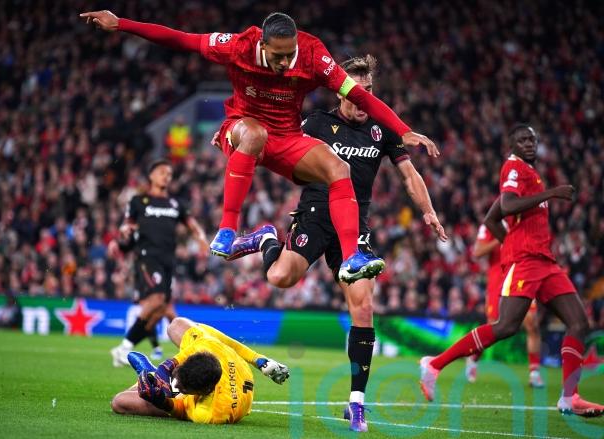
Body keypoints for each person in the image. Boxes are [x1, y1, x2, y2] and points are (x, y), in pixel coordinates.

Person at [79, 10, 440, 285]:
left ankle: (351, 258)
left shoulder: (313, 55)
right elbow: (181, 39)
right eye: (278, 56)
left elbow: (359, 95)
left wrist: (403, 130)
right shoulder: (238, 46)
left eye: (290, 54)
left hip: (287, 138)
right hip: (243, 129)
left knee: (338, 168)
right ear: (263, 46)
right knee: (254, 134)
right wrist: (121, 23)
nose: (285, 63)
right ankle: (227, 229)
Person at [224, 55, 447, 432]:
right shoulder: (315, 123)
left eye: (369, 91)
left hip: (354, 227)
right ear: (341, 92)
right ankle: (266, 239)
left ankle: (356, 402)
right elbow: (278, 148)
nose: (362, 99)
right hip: (315, 214)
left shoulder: (382, 128)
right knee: (280, 278)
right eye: (356, 91)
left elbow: (409, 175)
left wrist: (428, 211)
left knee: (364, 306)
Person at [419, 124, 604, 417]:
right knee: (506, 326)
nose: (528, 143)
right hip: (526, 261)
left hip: (545, 261)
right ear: (513, 145)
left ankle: (570, 397)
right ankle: (434, 364)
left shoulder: (529, 173)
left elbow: (491, 217)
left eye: (532, 139)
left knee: (579, 323)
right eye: (522, 140)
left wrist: (510, 242)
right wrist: (551, 194)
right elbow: (506, 205)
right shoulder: (513, 167)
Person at [108, 159, 209, 367]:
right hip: (147, 257)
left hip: (167, 260)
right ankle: (124, 348)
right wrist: (122, 233)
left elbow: (191, 224)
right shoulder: (139, 201)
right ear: (151, 176)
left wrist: (201, 238)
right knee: (156, 300)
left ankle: (126, 347)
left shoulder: (176, 204)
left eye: (169, 174)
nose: (166, 176)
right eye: (162, 172)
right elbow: (127, 224)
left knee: (162, 309)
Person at [111, 317, 289, 424]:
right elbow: (228, 342)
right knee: (176, 325)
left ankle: (151, 377)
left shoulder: (209, 413)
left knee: (119, 402)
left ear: (202, 393)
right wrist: (259, 360)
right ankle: (156, 377)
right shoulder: (208, 347)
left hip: (232, 399)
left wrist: (161, 401)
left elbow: (180, 409)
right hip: (240, 371)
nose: (179, 386)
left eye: (182, 388)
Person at [465, 219, 544, 387]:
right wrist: (502, 237)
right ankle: (473, 357)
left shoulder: (526, 219)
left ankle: (534, 373)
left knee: (532, 322)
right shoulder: (492, 223)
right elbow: (477, 252)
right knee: (493, 325)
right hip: (498, 279)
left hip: (521, 276)